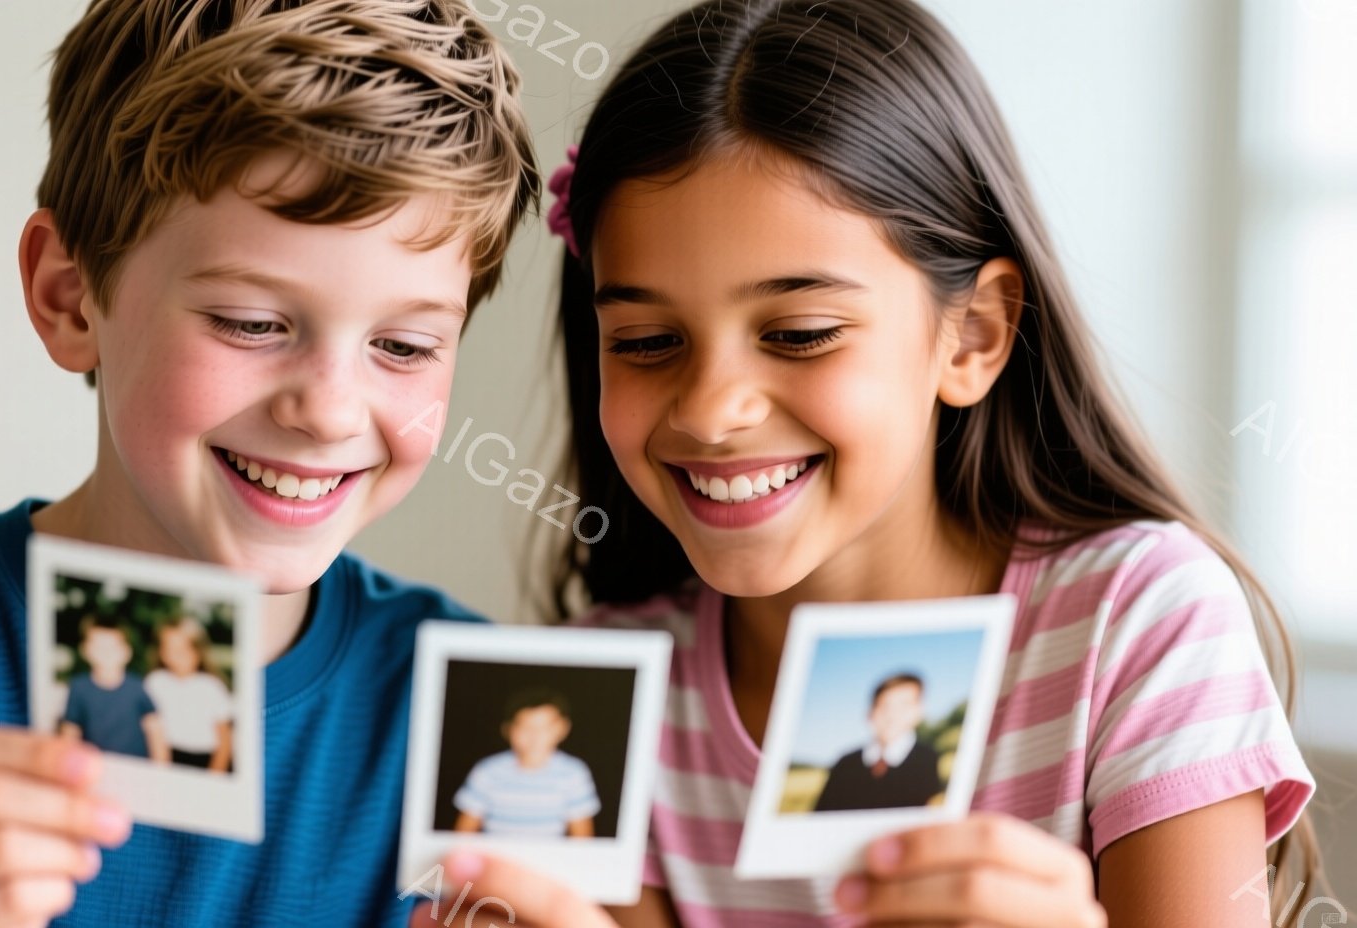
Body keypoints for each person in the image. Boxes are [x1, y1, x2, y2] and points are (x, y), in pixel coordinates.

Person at [410, 1, 1320, 926]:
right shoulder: (593, 699)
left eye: (801, 334)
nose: (713, 412)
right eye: (646, 342)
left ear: (973, 335)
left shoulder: (1137, 621)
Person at [0, 0, 539, 924]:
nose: (329, 410)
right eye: (252, 324)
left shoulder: (475, 701)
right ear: (69, 298)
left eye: (406, 347)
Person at [453, 688, 600, 838]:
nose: (535, 736)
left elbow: (582, 838)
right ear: (508, 729)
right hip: (494, 858)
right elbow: (463, 833)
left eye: (544, 728)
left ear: (562, 728)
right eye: (525, 727)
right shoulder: (487, 770)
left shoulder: (574, 772)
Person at [811, 673, 942, 813]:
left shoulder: (931, 760)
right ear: (870, 712)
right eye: (884, 706)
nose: (892, 715)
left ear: (918, 711)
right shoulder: (845, 764)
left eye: (904, 706)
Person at [58, 616, 168, 764]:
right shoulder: (79, 688)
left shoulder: (136, 687)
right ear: (85, 651)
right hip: (97, 768)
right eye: (99, 646)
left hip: (137, 767)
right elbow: (70, 733)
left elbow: (155, 731)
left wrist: (160, 770)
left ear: (126, 652)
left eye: (113, 647)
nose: (106, 653)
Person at [144, 614, 233, 772]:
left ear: (198, 651)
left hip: (203, 759)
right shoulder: (155, 682)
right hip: (164, 756)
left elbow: (225, 740)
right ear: (161, 652)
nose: (177, 655)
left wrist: (215, 777)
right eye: (170, 648)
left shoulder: (212, 686)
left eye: (184, 648)